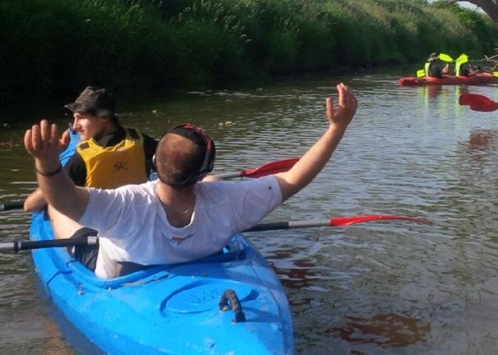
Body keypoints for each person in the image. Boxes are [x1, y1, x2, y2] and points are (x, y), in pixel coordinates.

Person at [24, 83, 358, 280]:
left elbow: (63, 198)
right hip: (196, 251)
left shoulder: (124, 203)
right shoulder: (229, 200)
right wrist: (337, 127)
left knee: (56, 210)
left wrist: (46, 162)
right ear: (201, 173)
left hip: (118, 275)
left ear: (154, 161)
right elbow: (295, 177)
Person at [24, 86, 158, 259]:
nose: (75, 126)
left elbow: (30, 206)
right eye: (74, 119)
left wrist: (46, 164)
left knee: (53, 202)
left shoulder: (83, 157)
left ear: (104, 117)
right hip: (139, 222)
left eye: (81, 118)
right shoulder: (141, 141)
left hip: (100, 232)